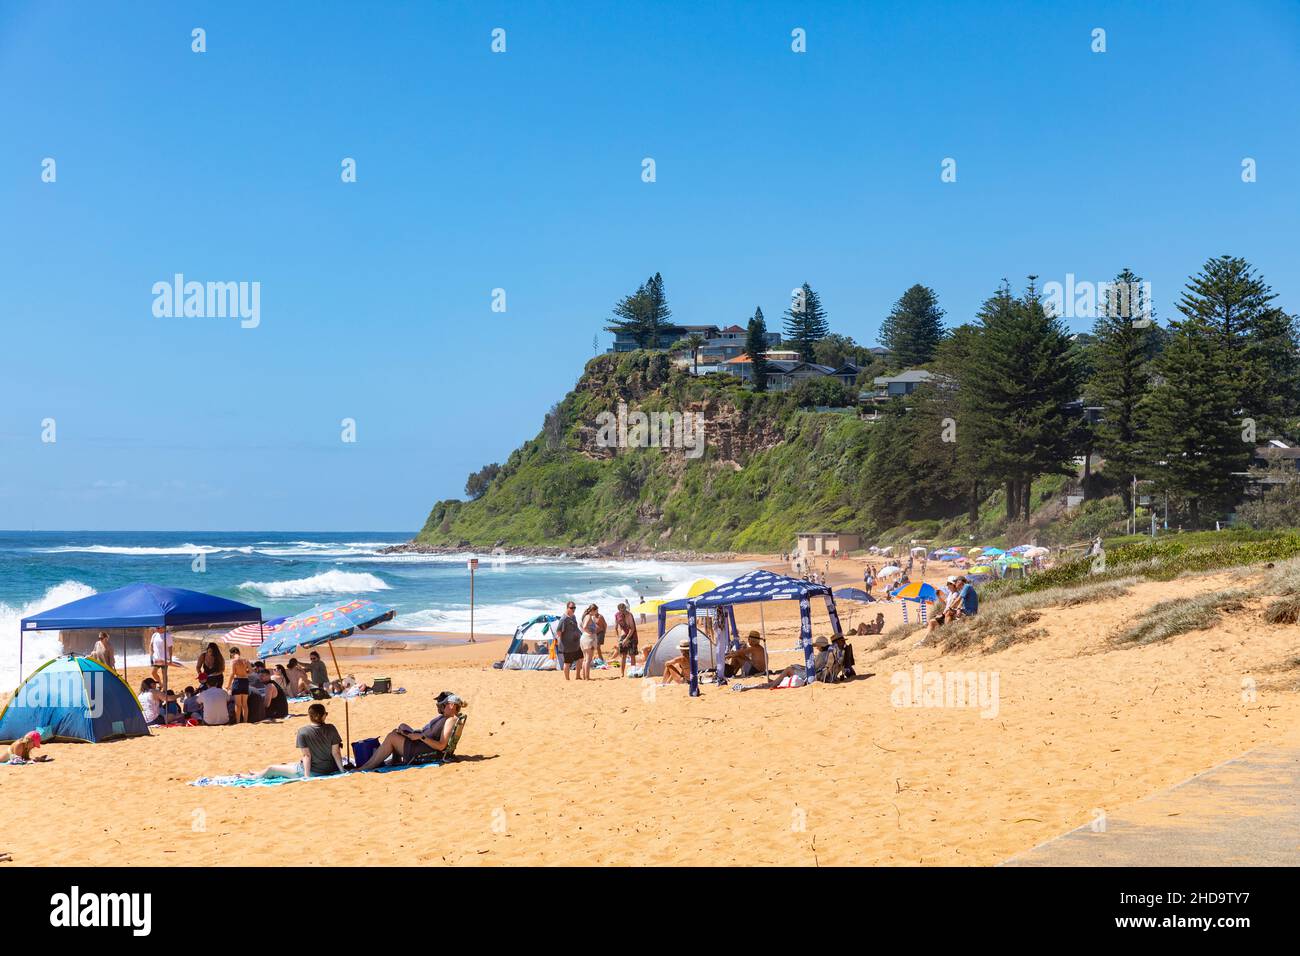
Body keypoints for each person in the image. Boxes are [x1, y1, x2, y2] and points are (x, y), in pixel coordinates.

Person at [355, 693, 466, 770]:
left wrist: (420, 737)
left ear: (451, 705)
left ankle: (366, 767)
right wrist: (414, 734)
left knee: (392, 737)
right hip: (420, 742)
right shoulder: (447, 718)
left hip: (423, 749)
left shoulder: (450, 720)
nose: (440, 708)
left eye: (443, 705)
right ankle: (394, 760)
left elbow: (441, 746)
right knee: (401, 727)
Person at [244, 703, 345, 780]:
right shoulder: (331, 728)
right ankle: (258, 773)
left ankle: (253, 777)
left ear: (310, 716)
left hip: (314, 771)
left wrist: (306, 776)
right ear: (323, 716)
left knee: (271, 769)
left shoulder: (303, 731)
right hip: (331, 768)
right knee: (288, 764)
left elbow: (307, 756)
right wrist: (342, 771)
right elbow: (336, 752)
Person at [555, 602, 584, 681]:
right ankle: (567, 679)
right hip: (567, 645)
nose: (573, 609)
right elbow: (558, 632)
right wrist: (564, 640)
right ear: (567, 608)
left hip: (576, 644)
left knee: (580, 659)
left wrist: (580, 635)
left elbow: (576, 628)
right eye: (571, 608)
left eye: (574, 607)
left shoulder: (573, 617)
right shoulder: (564, 619)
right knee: (567, 663)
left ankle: (578, 676)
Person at [227, 647, 252, 723]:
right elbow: (250, 671)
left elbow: (232, 674)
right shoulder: (246, 660)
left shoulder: (234, 661)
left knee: (238, 704)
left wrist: (228, 685)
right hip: (245, 681)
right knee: (245, 704)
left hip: (237, 681)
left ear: (232, 653)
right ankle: (245, 721)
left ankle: (238, 722)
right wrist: (244, 673)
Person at [613, 602, 638, 677]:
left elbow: (632, 628)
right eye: (622, 610)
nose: (624, 611)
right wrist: (619, 638)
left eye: (624, 609)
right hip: (623, 635)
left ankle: (633, 672)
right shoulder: (617, 615)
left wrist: (626, 639)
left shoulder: (629, 615)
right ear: (619, 610)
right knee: (623, 655)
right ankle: (622, 673)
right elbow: (616, 627)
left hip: (632, 636)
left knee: (632, 655)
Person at [579, 604, 600, 679]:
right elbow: (584, 627)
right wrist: (590, 632)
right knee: (588, 659)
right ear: (593, 610)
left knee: (585, 659)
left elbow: (582, 626)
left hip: (584, 638)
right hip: (588, 639)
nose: (597, 612)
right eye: (596, 610)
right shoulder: (588, 616)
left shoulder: (585, 616)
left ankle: (585, 676)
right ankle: (587, 677)